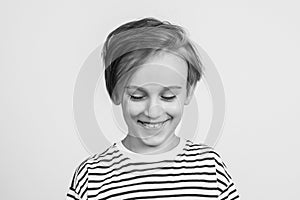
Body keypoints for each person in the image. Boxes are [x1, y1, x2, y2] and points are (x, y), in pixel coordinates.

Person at [66, 17, 240, 200]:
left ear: (188, 92)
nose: (153, 111)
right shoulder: (92, 176)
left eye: (168, 96)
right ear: (114, 93)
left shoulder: (210, 168)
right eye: (137, 96)